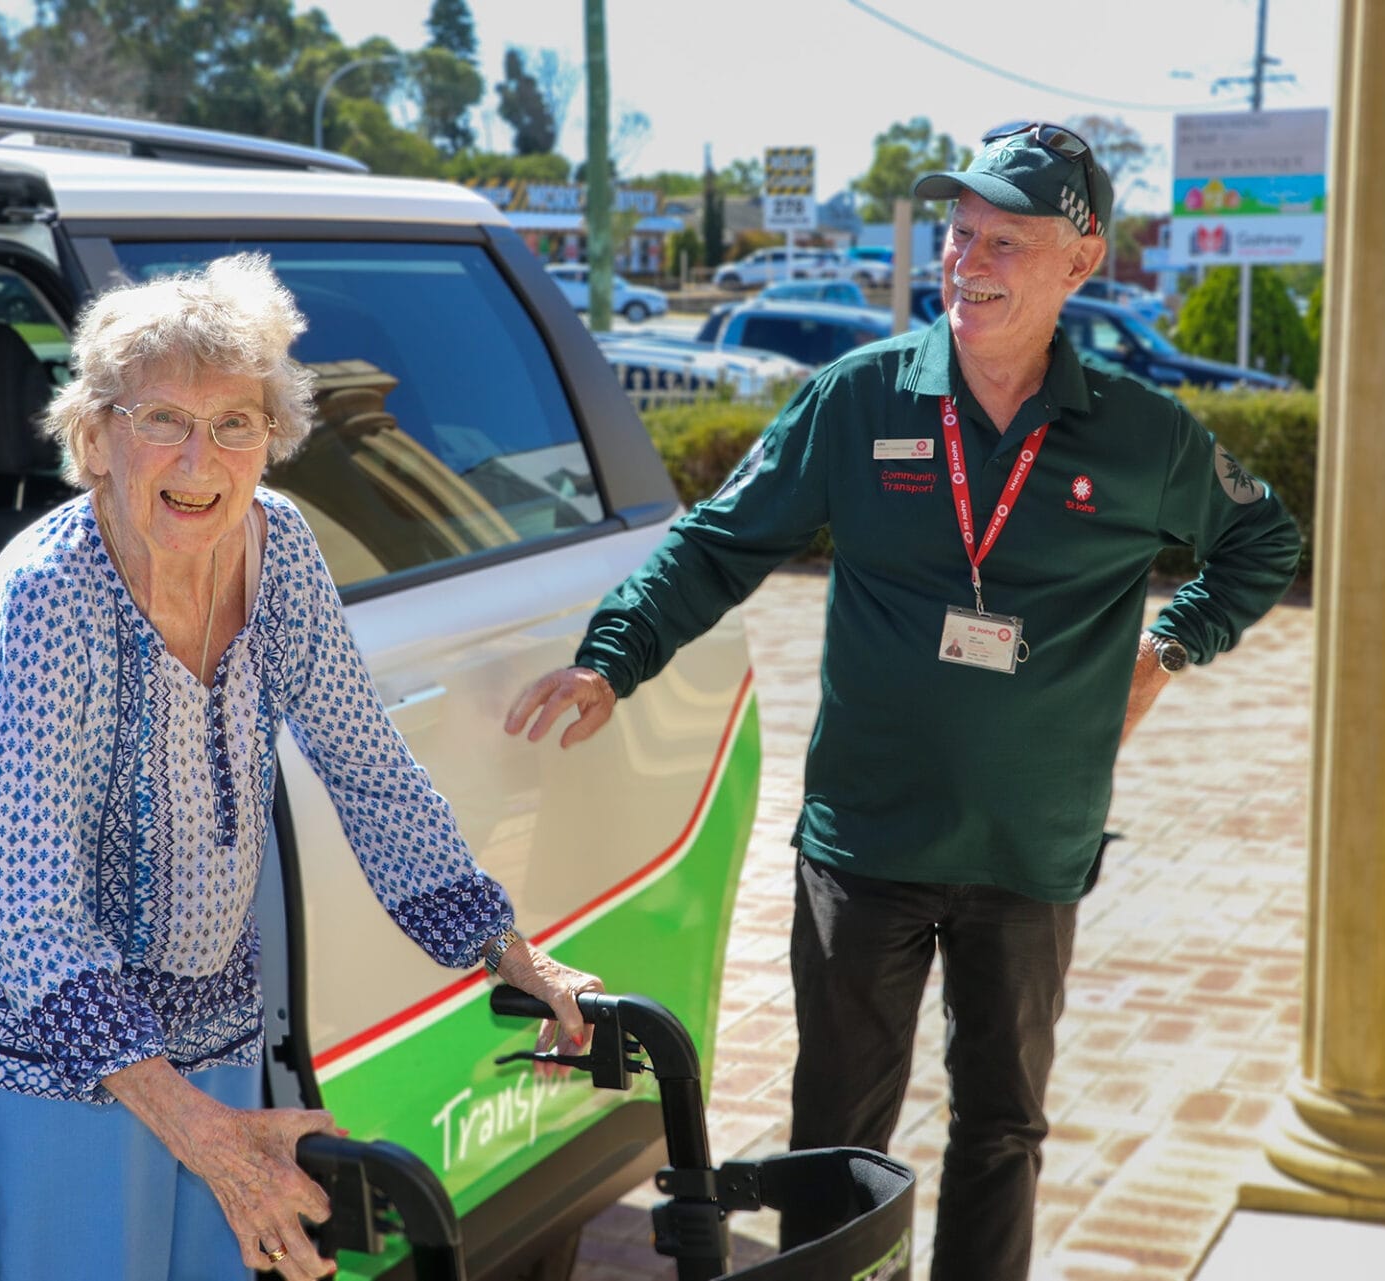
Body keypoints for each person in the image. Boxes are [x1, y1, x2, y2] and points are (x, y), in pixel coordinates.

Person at [505, 123, 1301, 1280]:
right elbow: (720, 543)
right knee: (834, 1141)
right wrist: (613, 657)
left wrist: (1164, 654)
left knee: (1002, 1129)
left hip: (1033, 846)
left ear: (1082, 262)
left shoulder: (1143, 434)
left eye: (1006, 241)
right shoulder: (858, 398)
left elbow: (1261, 540)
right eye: (958, 233)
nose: (967, 261)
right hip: (865, 841)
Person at [0, 254, 600, 1281]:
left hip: (210, 1022)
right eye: (163, 421)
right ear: (96, 436)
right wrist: (205, 1138)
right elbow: (41, 919)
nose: (201, 460)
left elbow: (367, 766)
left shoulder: (278, 547)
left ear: (270, 441)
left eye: (236, 424)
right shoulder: (51, 595)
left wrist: (506, 948)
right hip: (46, 1041)